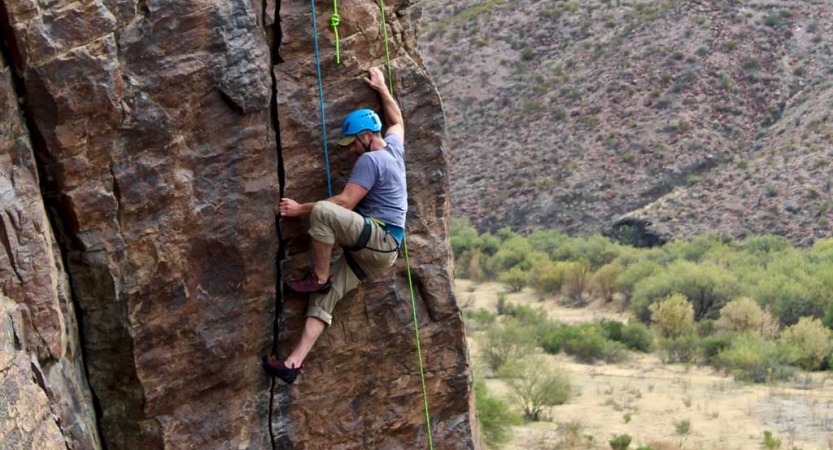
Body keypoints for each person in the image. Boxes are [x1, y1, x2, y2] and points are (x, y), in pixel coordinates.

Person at [262, 67, 406, 384]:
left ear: (367, 136)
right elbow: (396, 121)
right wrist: (382, 88)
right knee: (324, 301)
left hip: (377, 239)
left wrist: (300, 209)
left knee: (324, 212)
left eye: (353, 142)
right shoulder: (394, 150)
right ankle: (292, 365)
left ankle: (321, 275)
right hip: (380, 250)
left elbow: (343, 204)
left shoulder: (370, 160)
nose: (351, 149)